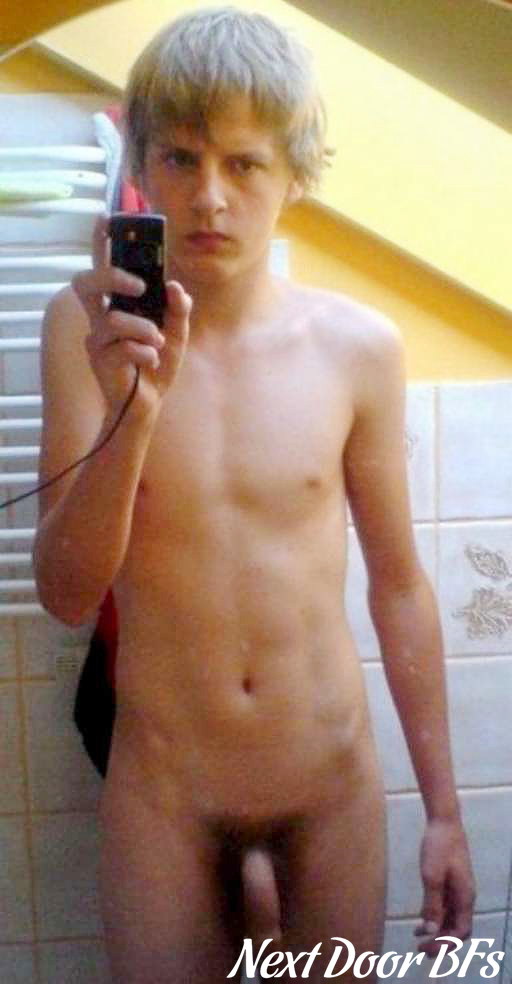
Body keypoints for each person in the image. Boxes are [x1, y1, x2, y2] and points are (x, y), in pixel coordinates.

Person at [33, 7, 475, 982]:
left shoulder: (357, 348)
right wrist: (134, 411)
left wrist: (444, 813)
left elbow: (399, 585)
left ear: (295, 176)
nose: (210, 197)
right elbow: (66, 594)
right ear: (142, 164)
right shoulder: (84, 332)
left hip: (327, 788)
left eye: (244, 164)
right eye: (181, 159)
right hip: (165, 794)